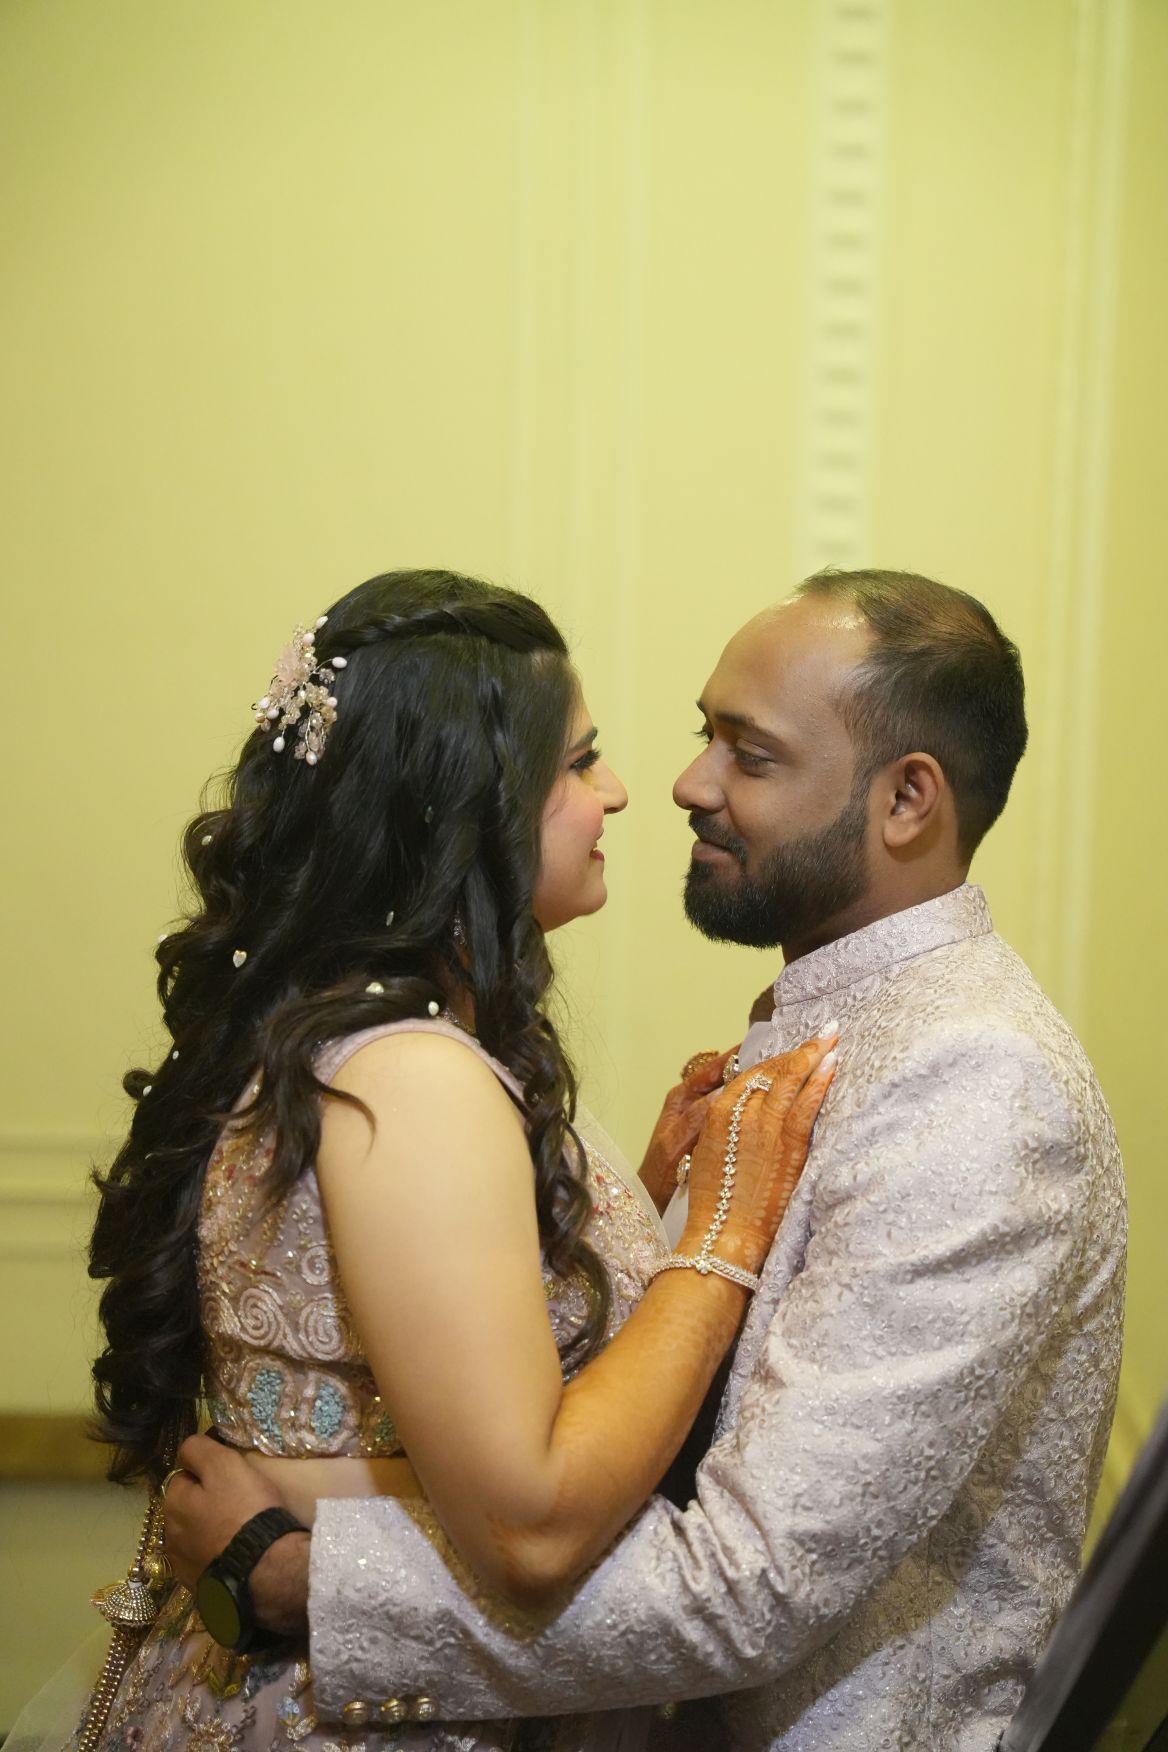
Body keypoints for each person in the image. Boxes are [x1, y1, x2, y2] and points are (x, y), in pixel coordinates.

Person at [166, 569, 1126, 1751]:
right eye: (697, 736)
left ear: (905, 800)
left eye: (748, 755)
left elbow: (748, 1579)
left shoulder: (974, 1079)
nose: (681, 784)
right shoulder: (839, 1017)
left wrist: (300, 1578)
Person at [54, 569, 837, 1752]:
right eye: (577, 763)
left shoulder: (349, 1034)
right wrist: (724, 1230)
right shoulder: (411, 1077)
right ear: (462, 811)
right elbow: (529, 1522)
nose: (619, 793)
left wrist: (624, 1208)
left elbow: (402, 1359)